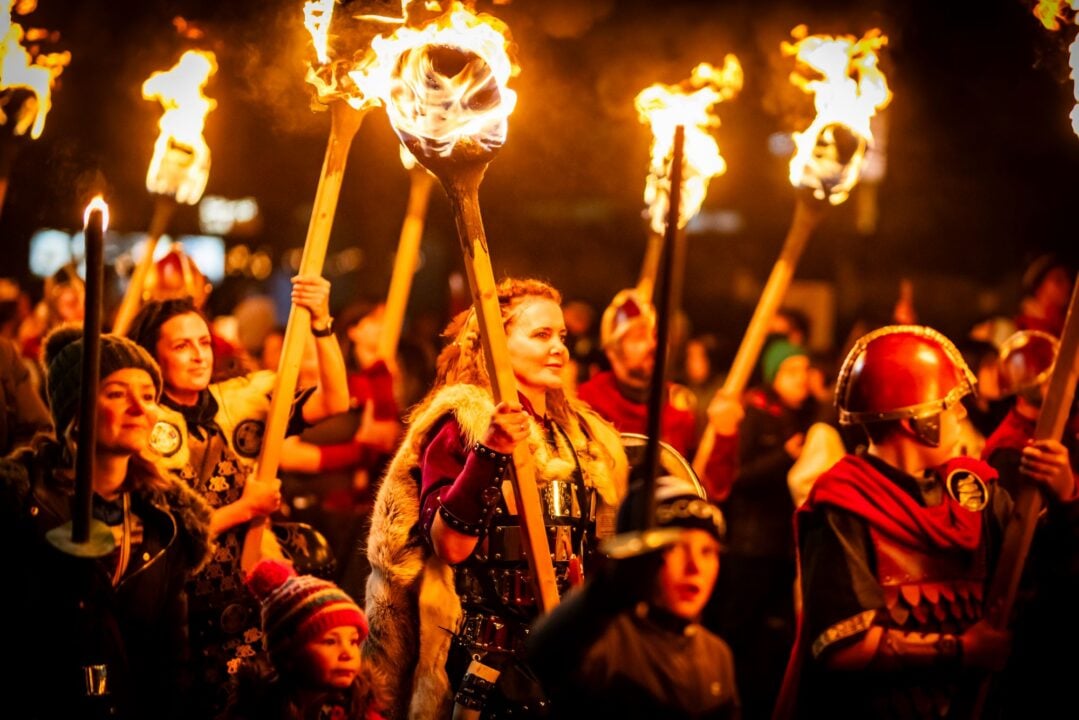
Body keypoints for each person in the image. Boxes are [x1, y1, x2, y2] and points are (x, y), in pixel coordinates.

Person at [776, 325, 1077, 719]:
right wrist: (963, 650)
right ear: (917, 421)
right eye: (951, 404)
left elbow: (1035, 576)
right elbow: (843, 646)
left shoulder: (974, 491)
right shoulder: (842, 504)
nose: (963, 413)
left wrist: (1065, 499)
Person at [364, 277, 628, 719]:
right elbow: (449, 546)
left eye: (561, 336)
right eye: (541, 335)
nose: (559, 348)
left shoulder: (580, 436)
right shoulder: (459, 428)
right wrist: (490, 451)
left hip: (560, 655)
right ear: (495, 346)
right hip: (482, 664)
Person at [128, 274, 349, 715]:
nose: (198, 356)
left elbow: (335, 400)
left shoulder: (241, 399)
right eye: (181, 346)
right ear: (153, 356)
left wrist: (322, 322)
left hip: (253, 603)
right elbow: (156, 534)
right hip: (179, 613)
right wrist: (245, 508)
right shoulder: (136, 425)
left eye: (204, 343)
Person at [0, 327, 212, 719]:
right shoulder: (20, 503)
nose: (139, 407)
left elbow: (172, 662)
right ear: (76, 413)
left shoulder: (166, 523)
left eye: (148, 396)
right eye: (116, 393)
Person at [528, 473, 740, 720]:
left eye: (707, 551)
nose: (695, 567)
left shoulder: (717, 656)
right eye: (674, 547)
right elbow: (545, 652)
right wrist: (607, 588)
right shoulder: (604, 644)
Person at [711, 337, 817, 720]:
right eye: (791, 371)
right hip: (751, 546)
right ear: (774, 376)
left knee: (776, 641)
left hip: (785, 547)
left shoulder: (807, 416)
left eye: (805, 370)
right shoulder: (756, 413)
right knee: (739, 631)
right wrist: (784, 457)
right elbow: (739, 477)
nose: (801, 379)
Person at [980, 329, 1079, 717]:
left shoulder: (1063, 432)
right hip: (1045, 617)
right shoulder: (1014, 451)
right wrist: (1068, 498)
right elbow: (1026, 551)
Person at [225, 558, 385, 720]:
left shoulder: (361, 712)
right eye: (330, 641)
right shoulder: (255, 712)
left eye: (353, 641)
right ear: (288, 654)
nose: (348, 654)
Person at [577, 287, 697, 456]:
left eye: (655, 336)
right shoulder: (587, 404)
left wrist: (724, 435)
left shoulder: (679, 406)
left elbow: (698, 479)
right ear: (613, 351)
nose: (652, 345)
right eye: (639, 336)